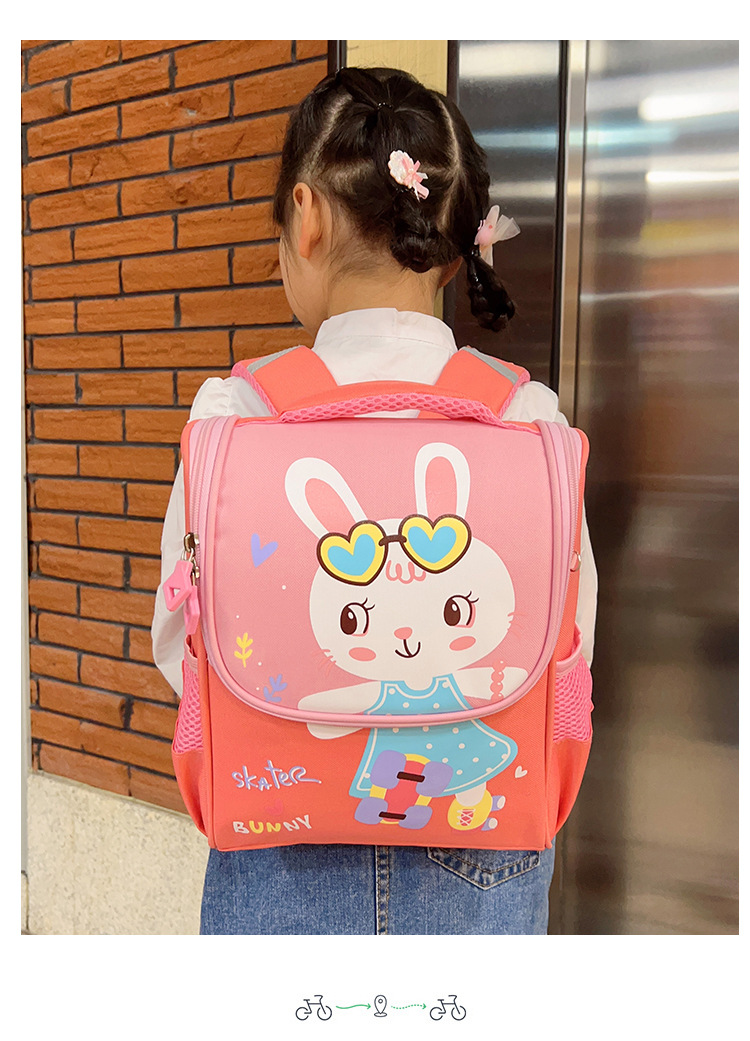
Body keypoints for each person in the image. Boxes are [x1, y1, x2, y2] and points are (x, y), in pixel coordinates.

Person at [151, 66, 597, 935]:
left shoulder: (233, 415)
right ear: (456, 243)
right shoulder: (528, 416)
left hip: (277, 828)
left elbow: (182, 644)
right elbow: (569, 638)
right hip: (487, 828)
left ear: (306, 217)